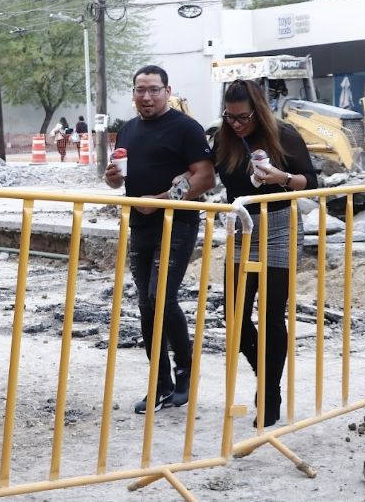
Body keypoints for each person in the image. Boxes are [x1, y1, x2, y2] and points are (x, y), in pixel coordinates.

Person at [103, 65, 215, 414]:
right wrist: (112, 179)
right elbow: (118, 181)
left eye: (153, 89)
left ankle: (184, 375)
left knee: (161, 298)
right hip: (141, 225)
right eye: (140, 90)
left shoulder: (186, 128)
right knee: (147, 304)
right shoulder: (128, 130)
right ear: (133, 93)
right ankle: (160, 383)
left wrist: (163, 200)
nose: (147, 96)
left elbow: (206, 178)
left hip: (177, 222)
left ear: (168, 91)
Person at [213, 79, 317, 427]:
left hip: (278, 226)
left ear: (258, 110)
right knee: (235, 317)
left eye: (242, 117)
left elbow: (311, 182)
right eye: (230, 117)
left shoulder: (283, 134)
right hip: (240, 229)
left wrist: (281, 178)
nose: (237, 124)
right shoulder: (223, 137)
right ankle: (266, 375)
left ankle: (270, 395)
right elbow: (209, 174)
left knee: (272, 315)